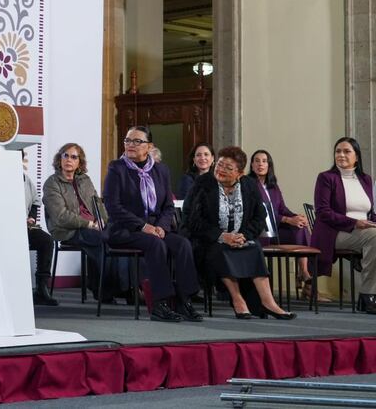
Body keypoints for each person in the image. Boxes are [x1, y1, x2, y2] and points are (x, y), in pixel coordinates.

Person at [103, 126, 203, 322]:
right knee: (155, 244)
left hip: (156, 228)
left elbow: (168, 206)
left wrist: (162, 227)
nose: (130, 145)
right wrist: (143, 227)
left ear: (149, 146)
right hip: (125, 229)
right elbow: (113, 207)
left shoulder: (161, 170)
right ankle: (160, 304)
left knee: (182, 244)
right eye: (127, 140)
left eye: (137, 141)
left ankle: (184, 301)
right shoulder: (117, 168)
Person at [186, 146, 295, 319]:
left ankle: (269, 302)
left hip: (240, 237)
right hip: (209, 240)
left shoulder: (249, 185)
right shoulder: (203, 183)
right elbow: (192, 220)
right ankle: (238, 300)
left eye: (228, 168)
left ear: (240, 173)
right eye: (219, 165)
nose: (221, 170)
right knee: (221, 250)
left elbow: (260, 217)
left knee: (254, 247)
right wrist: (222, 236)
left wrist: (244, 235)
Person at [42, 142, 127, 303]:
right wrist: (88, 224)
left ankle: (113, 287)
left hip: (93, 227)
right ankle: (106, 290)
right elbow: (60, 216)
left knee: (120, 236)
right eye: (65, 155)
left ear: (79, 162)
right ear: (59, 159)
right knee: (100, 241)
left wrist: (103, 221)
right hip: (67, 230)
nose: (69, 160)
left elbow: (98, 204)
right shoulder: (52, 183)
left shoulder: (85, 180)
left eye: (74, 157)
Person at [311, 137, 376, 314]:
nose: (341, 155)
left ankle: (368, 295)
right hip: (334, 232)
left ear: (357, 156)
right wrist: (355, 223)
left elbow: (370, 211)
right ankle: (368, 295)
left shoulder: (366, 179)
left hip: (363, 231)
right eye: (338, 151)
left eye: (347, 151)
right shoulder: (326, 178)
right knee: (374, 237)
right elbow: (323, 212)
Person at [248, 149, 313, 292]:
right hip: (261, 231)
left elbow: (282, 208)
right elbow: (260, 213)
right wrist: (287, 220)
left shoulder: (273, 186)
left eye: (264, 161)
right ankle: (304, 275)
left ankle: (303, 271)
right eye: (256, 161)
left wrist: (297, 217)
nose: (260, 164)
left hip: (276, 229)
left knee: (301, 227)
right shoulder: (248, 184)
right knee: (295, 226)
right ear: (252, 165)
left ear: (269, 165)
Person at [23, 152, 58, 306]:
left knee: (46, 241)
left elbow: (35, 201)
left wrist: (31, 218)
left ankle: (41, 288)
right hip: (3, 230)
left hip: (25, 228)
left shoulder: (26, 179)